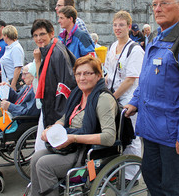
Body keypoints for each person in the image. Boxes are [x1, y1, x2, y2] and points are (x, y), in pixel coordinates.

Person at [125, 0, 179, 196]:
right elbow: (145, 78)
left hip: (173, 134)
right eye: (154, 4)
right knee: (153, 182)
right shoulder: (154, 36)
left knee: (173, 189)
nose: (157, 8)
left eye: (164, 3)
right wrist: (135, 101)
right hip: (150, 129)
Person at [30, 55, 118, 196]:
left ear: (98, 75)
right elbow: (66, 118)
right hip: (72, 146)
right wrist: (53, 129)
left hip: (88, 153)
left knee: (43, 165)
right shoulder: (78, 94)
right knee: (36, 157)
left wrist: (73, 138)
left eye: (87, 73)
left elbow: (109, 137)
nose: (82, 78)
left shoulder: (103, 99)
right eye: (78, 74)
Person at [105, 10, 144, 185]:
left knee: (131, 137)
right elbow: (109, 73)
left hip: (128, 98)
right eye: (115, 25)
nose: (118, 28)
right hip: (113, 96)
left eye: (121, 25)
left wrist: (113, 97)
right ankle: (118, 169)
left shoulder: (134, 50)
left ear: (129, 27)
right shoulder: (113, 47)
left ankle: (132, 176)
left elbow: (130, 80)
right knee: (116, 135)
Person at [31, 19, 76, 151]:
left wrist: (59, 116)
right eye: (35, 35)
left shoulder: (57, 53)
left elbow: (65, 86)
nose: (39, 38)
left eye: (42, 34)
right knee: (41, 145)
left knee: (43, 147)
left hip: (55, 109)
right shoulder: (48, 50)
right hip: (49, 105)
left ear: (51, 34)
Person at [0, 25, 24, 91]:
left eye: (3, 35)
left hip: (13, 83)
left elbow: (18, 67)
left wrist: (13, 84)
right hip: (7, 83)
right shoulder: (9, 48)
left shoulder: (16, 48)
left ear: (6, 36)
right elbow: (10, 65)